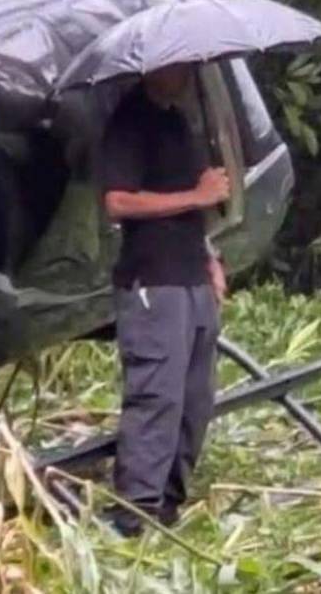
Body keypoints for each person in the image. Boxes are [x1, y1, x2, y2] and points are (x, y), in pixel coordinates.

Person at [99, 63, 230, 537]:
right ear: (156, 65)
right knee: (158, 396)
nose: (190, 72)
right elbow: (117, 202)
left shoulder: (178, 120)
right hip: (152, 280)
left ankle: (169, 504)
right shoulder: (128, 122)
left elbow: (198, 204)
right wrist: (195, 196)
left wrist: (211, 257)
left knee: (196, 398)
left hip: (191, 274)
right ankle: (133, 514)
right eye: (182, 65)